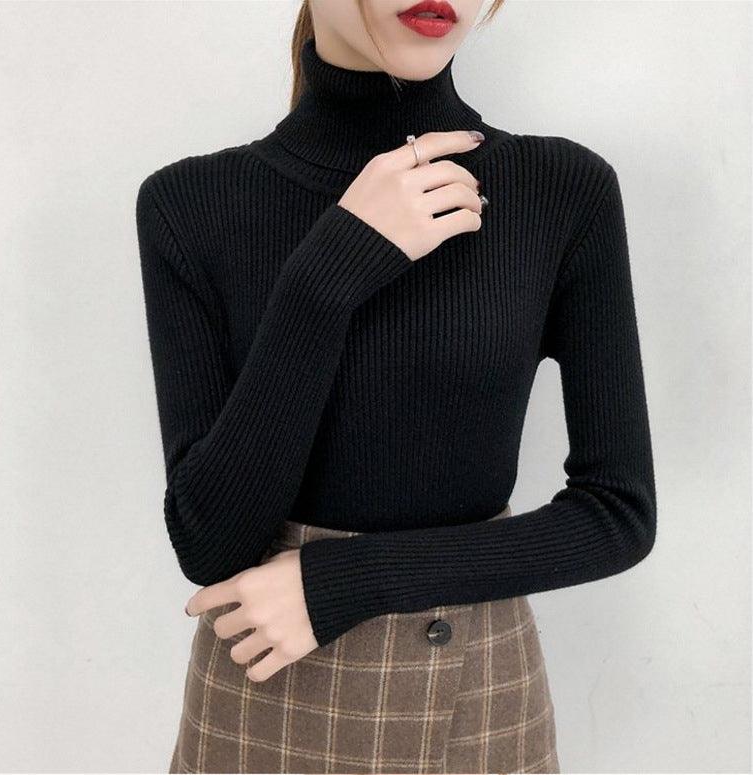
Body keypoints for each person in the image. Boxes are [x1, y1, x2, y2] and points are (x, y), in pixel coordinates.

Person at [135, 0, 657, 772]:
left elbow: (617, 514)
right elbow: (210, 542)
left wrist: (349, 581)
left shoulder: (559, 188)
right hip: (266, 691)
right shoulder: (189, 203)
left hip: (478, 692)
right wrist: (328, 272)